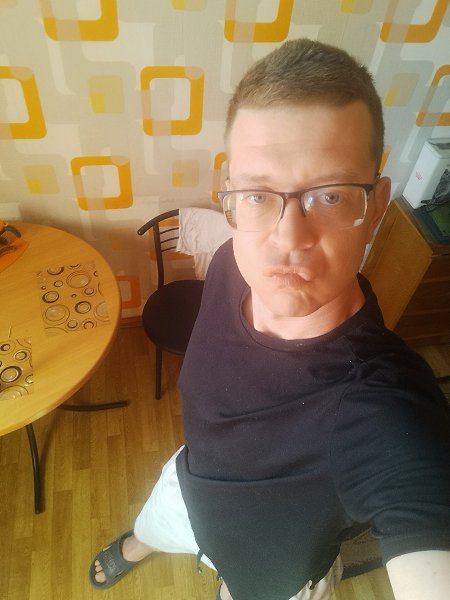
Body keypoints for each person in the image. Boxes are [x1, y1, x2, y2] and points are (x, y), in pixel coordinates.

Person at [89, 39, 450, 600]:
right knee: (151, 525)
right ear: (234, 197)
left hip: (268, 575)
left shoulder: (380, 407)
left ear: (376, 205)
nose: (288, 238)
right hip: (191, 483)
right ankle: (138, 543)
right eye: (259, 194)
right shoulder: (231, 262)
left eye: (330, 196)